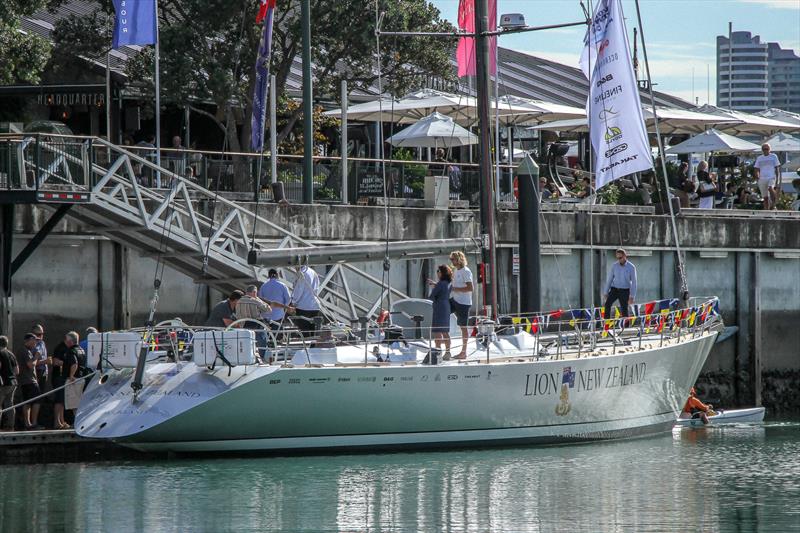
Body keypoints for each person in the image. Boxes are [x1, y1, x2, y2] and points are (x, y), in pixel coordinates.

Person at [51, 332, 80, 430]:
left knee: (63, 400)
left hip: (65, 377)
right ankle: (57, 422)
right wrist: (67, 362)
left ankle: (62, 421)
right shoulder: (61, 348)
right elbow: (54, 362)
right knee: (59, 400)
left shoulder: (71, 349)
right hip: (59, 376)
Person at [449, 251, 473, 360]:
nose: (451, 261)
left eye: (453, 259)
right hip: (455, 300)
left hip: (463, 303)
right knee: (441, 311)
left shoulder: (466, 272)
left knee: (463, 327)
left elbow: (470, 288)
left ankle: (463, 352)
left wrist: (455, 289)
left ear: (458, 259)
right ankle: (445, 348)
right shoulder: (456, 270)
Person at [603, 248, 637, 319]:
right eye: (617, 258)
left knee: (624, 309)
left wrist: (632, 296)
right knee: (607, 304)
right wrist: (606, 292)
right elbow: (609, 279)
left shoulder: (631, 267)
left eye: (620, 257)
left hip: (625, 290)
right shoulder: (614, 266)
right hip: (614, 289)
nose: (619, 259)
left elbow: (634, 282)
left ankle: (626, 327)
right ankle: (606, 324)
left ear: (625, 256)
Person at [427, 264, 453, 359]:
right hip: (446, 306)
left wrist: (435, 287)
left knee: (437, 331)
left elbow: (432, 296)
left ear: (442, 273)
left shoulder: (441, 283)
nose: (437, 273)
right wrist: (435, 284)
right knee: (445, 331)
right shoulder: (448, 283)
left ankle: (438, 352)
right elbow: (444, 290)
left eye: (438, 271)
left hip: (439, 307)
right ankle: (448, 352)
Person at [18, 333, 42, 430]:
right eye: (35, 340)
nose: (36, 342)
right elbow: (31, 365)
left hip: (25, 380)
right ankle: (33, 423)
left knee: (27, 402)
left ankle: (27, 424)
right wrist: (36, 356)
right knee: (37, 400)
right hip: (29, 380)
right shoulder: (26, 351)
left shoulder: (23, 350)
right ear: (29, 340)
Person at [290, 265, 321, 337]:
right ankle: (314, 346)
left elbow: (299, 290)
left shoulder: (301, 273)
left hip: (303, 307)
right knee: (314, 331)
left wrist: (293, 302)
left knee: (304, 331)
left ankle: (307, 346)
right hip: (315, 306)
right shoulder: (313, 272)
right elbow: (317, 287)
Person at [754, 143, 781, 210]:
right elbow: (756, 168)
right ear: (762, 150)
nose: (765, 150)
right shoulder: (759, 158)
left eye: (767, 149)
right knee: (765, 197)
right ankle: (766, 210)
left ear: (769, 149)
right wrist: (757, 176)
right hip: (762, 178)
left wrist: (778, 179)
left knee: (770, 188)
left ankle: (774, 204)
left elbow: (777, 168)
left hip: (771, 177)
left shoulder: (773, 156)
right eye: (764, 149)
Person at [0, 336, 18, 431]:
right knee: (9, 404)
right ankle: (10, 426)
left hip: (3, 383)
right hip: (13, 383)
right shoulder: (11, 354)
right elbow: (17, 370)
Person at [31, 324, 49, 396]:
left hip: (43, 371)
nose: (40, 336)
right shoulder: (34, 344)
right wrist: (45, 361)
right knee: (37, 396)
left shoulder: (42, 343)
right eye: (38, 334)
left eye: (42, 334)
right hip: (37, 371)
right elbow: (31, 362)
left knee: (40, 393)